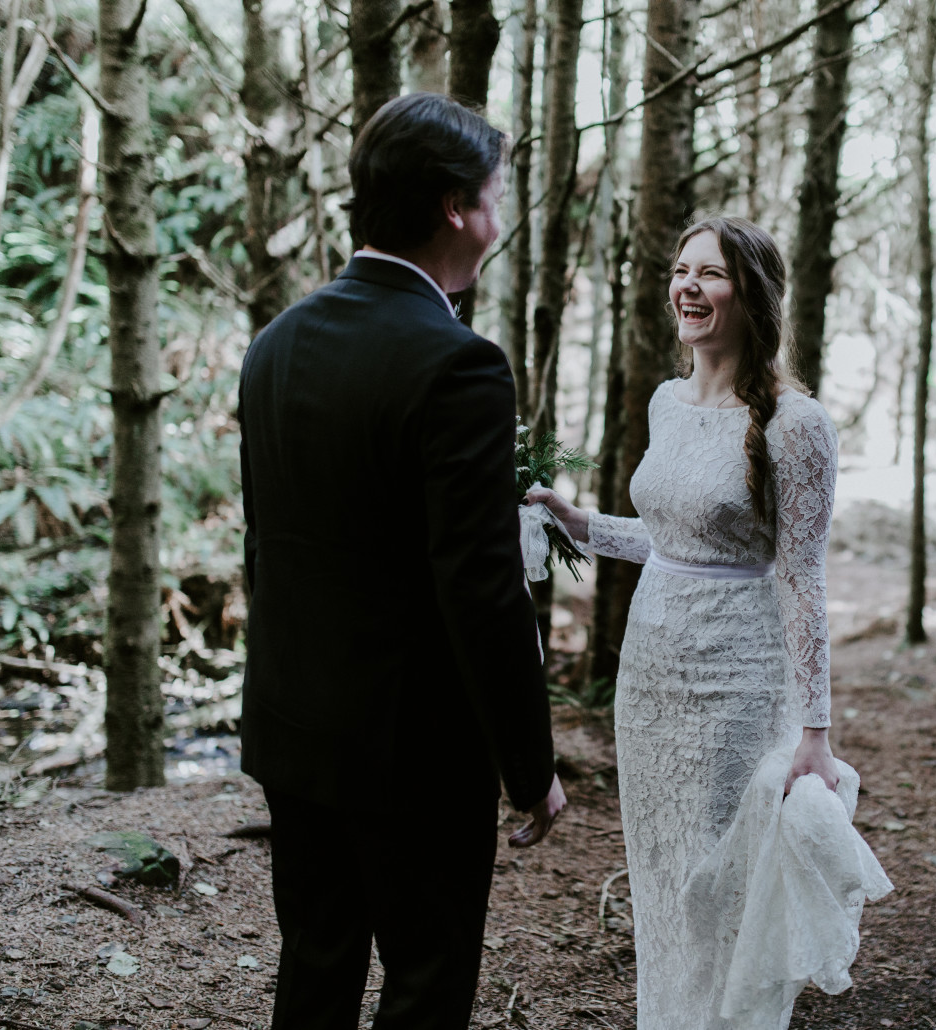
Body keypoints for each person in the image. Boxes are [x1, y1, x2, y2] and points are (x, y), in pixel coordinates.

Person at [238, 92, 566, 1030]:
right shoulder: (457, 362)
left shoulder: (276, 343)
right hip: (413, 753)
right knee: (426, 984)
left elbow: (268, 549)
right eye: (496, 194)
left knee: (316, 967)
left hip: (295, 729)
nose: (501, 216)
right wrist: (526, 760)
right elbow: (479, 587)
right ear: (458, 207)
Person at [529, 216, 882, 1029]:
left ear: (751, 293)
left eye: (710, 273)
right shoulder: (666, 400)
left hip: (736, 680)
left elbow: (801, 576)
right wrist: (580, 521)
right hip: (650, 679)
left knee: (715, 884)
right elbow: (673, 539)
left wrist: (815, 729)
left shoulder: (799, 425)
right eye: (680, 270)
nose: (688, 286)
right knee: (659, 876)